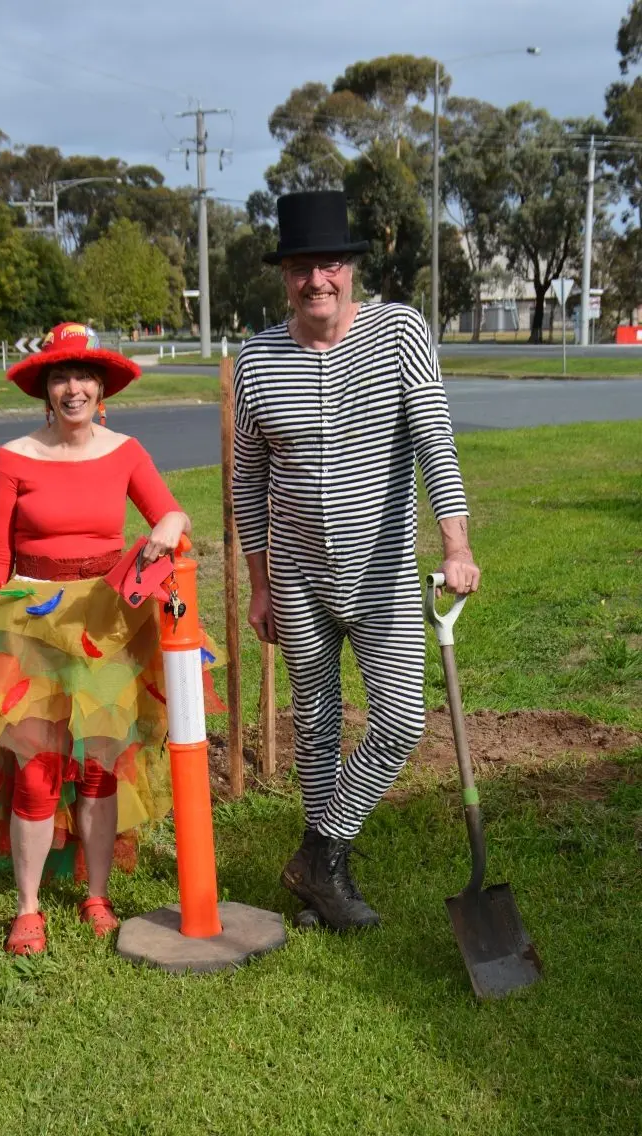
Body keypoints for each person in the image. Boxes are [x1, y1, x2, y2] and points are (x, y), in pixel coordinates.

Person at [0, 322, 221, 955]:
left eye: (85, 376)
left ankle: (96, 894)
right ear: (46, 390)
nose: (74, 388)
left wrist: (169, 520)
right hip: (28, 618)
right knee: (33, 772)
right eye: (61, 377)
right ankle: (28, 908)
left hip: (107, 623)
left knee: (97, 769)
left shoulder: (127, 450)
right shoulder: (13, 457)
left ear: (101, 388)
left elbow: (171, 513)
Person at [232, 191, 481, 931]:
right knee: (312, 726)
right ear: (285, 276)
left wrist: (457, 543)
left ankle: (321, 851)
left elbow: (434, 439)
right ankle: (327, 885)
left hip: (385, 577)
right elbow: (248, 479)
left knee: (401, 721)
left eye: (330, 264)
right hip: (297, 580)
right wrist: (259, 584)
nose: (318, 279)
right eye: (303, 266)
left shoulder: (401, 330)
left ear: (351, 270)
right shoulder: (257, 361)